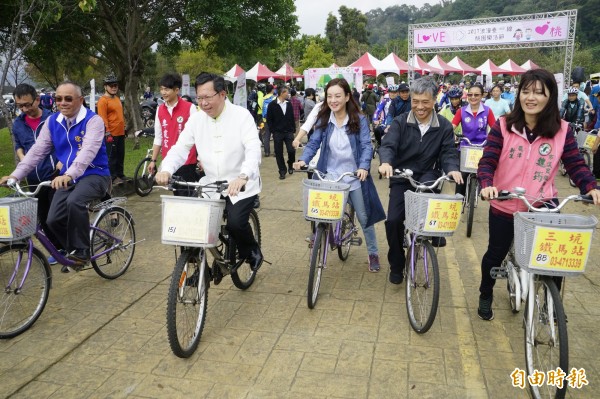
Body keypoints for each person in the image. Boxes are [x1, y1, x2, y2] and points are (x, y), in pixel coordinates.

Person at [477, 69, 600, 321]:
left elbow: (575, 164)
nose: (530, 98)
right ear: (519, 94)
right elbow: (487, 160)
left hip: (543, 205)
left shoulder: (562, 130)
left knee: (553, 260)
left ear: (550, 96)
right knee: (495, 254)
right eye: (526, 91)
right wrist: (487, 184)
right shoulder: (503, 126)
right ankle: (485, 293)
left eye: (538, 92)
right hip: (505, 203)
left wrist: (590, 186)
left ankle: (551, 302)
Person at [155, 72, 263, 271]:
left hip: (240, 184)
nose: (203, 103)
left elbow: (253, 149)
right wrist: (166, 169)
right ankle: (197, 265)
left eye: (208, 97)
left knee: (236, 223)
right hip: (211, 183)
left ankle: (251, 250)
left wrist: (244, 175)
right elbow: (180, 148)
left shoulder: (241, 116)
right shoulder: (196, 120)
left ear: (222, 94)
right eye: (200, 98)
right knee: (195, 224)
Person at [1, 81, 112, 270]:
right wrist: (15, 175)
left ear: (80, 100)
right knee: (52, 219)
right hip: (68, 177)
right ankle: (73, 251)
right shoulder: (53, 122)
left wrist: (68, 174)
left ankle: (82, 252)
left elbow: (87, 152)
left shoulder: (93, 121)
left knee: (74, 202)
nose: (62, 103)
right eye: (58, 98)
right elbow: (36, 151)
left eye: (68, 99)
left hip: (95, 174)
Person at [294, 78, 386, 272]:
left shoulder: (358, 119)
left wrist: (363, 167)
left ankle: (373, 252)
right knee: (320, 213)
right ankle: (320, 235)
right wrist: (304, 159)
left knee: (364, 216)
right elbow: (313, 143)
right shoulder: (324, 118)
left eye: (337, 96)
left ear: (346, 97)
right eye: (329, 96)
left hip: (353, 176)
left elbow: (365, 146)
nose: (333, 100)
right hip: (329, 175)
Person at [378, 77, 463, 284]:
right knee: (394, 221)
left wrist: (452, 169)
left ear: (434, 100)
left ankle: (428, 237)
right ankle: (397, 264)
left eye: (425, 102)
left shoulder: (443, 126)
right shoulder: (401, 122)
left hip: (428, 175)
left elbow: (448, 152)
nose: (419, 107)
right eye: (415, 101)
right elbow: (388, 145)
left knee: (427, 213)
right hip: (401, 175)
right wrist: (386, 162)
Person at [10, 84, 63, 265]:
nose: (24, 109)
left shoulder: (53, 119)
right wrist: (22, 158)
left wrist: (61, 160)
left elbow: (65, 141)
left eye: (27, 104)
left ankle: (71, 246)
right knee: (43, 216)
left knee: (57, 214)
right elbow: (18, 145)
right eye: (20, 106)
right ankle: (57, 248)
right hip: (33, 176)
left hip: (55, 174)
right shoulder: (18, 124)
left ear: (37, 100)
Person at [148, 73, 199, 196]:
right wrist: (153, 160)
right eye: (161, 89)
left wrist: (200, 158)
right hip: (169, 162)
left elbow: (198, 136)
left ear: (177, 90)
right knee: (176, 195)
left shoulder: (190, 108)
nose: (163, 92)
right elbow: (158, 137)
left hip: (187, 161)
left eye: (167, 89)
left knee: (186, 197)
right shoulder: (160, 110)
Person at [452, 83, 496, 195]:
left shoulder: (488, 111)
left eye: (476, 95)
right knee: (461, 176)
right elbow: (452, 127)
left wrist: (493, 139)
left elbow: (495, 129)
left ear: (482, 96)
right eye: (470, 94)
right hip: (465, 146)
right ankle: (458, 200)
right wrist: (452, 134)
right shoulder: (461, 111)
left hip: (482, 147)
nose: (473, 97)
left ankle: (480, 193)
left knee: (483, 173)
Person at [97, 74, 126, 184]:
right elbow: (102, 118)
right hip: (111, 133)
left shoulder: (117, 98)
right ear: (105, 87)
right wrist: (107, 133)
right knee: (112, 156)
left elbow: (120, 115)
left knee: (120, 154)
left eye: (115, 85)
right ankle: (113, 177)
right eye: (111, 85)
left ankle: (120, 174)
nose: (114, 87)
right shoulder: (103, 101)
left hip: (120, 132)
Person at [266, 85, 296, 180]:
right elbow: (269, 119)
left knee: (291, 150)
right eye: (287, 92)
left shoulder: (289, 104)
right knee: (279, 153)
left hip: (288, 132)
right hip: (277, 132)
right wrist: (273, 130)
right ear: (282, 93)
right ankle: (282, 171)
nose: (288, 94)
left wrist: (293, 129)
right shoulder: (272, 105)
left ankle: (290, 164)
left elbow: (292, 117)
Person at [261, 84, 276, 156]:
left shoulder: (263, 98)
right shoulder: (274, 98)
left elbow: (261, 108)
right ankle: (276, 152)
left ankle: (267, 152)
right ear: (272, 90)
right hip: (274, 119)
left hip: (265, 119)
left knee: (267, 135)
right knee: (276, 135)